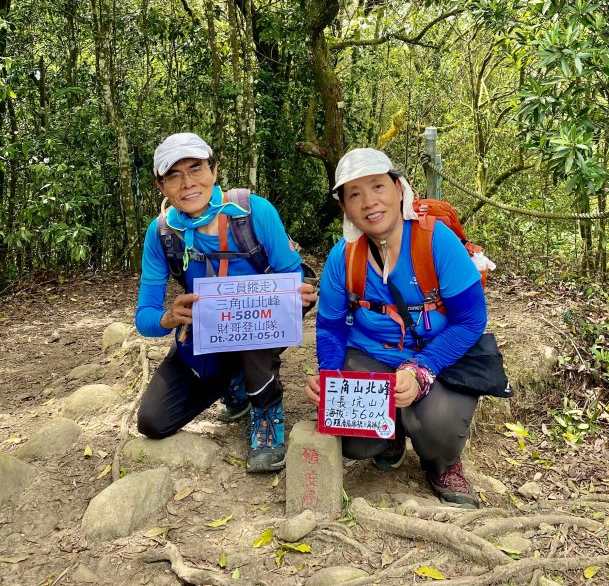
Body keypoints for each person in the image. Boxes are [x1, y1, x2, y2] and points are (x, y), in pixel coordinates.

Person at [305, 147, 486, 507]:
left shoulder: (435, 241)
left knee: (436, 428)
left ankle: (443, 464)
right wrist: (330, 376)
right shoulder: (344, 256)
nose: (369, 202)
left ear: (399, 188)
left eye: (377, 187)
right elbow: (329, 327)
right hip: (371, 352)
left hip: (437, 354)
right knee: (354, 440)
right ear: (344, 207)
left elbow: (471, 320)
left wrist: (420, 370)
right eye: (354, 194)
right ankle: (390, 435)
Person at [136, 132, 316, 472]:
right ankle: (234, 382)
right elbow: (145, 318)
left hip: (262, 321)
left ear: (214, 170)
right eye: (173, 175)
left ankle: (265, 409)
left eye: (196, 169)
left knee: (252, 331)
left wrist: (294, 292)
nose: (188, 183)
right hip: (205, 331)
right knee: (153, 422)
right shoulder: (161, 234)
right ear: (162, 187)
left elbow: (290, 274)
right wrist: (168, 318)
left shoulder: (251, 211)